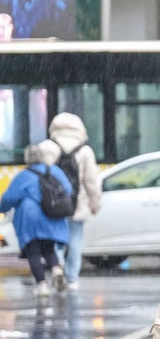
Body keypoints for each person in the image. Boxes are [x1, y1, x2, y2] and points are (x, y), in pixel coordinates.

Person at [37, 112, 102, 290]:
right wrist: (95, 204)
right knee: (74, 241)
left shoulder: (46, 147)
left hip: (51, 204)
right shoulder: (85, 151)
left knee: (54, 238)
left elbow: (38, 175)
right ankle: (72, 278)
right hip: (76, 205)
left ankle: (57, 266)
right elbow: (91, 181)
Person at [0, 144, 72, 297]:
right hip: (51, 215)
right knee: (48, 249)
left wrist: (2, 208)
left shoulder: (23, 176)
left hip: (30, 218)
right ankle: (57, 270)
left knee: (33, 251)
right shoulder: (55, 171)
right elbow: (68, 189)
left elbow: (9, 198)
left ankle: (42, 285)